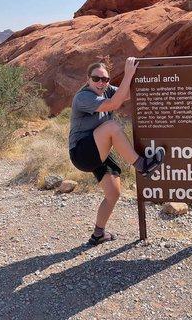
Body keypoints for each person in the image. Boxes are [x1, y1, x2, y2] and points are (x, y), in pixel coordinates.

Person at [69, 57, 164, 245]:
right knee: (112, 126)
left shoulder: (106, 91)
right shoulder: (83, 97)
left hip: (98, 151)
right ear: (88, 79)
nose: (101, 83)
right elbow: (114, 105)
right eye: (96, 79)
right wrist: (128, 73)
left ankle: (98, 234)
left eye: (105, 79)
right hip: (82, 153)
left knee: (113, 193)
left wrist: (146, 77)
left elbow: (125, 94)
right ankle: (142, 165)